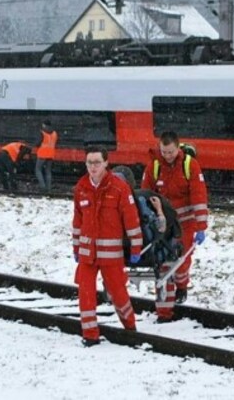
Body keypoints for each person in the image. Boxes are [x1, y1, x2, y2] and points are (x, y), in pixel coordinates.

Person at [72, 147, 142, 346]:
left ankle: (130, 327)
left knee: (118, 293)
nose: (92, 167)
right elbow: (77, 221)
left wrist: (136, 248)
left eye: (96, 162)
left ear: (105, 163)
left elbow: (131, 221)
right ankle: (90, 335)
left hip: (111, 256)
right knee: (85, 294)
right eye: (89, 163)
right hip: (87, 254)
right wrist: (76, 248)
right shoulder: (81, 188)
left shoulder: (119, 188)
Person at [141, 131, 208, 308]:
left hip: (185, 223)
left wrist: (201, 226)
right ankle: (165, 297)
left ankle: (181, 286)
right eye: (164, 152)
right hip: (163, 223)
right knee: (163, 260)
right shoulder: (154, 166)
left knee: (182, 259)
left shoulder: (190, 165)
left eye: (170, 152)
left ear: (178, 148)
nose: (167, 156)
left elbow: (199, 197)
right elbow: (145, 194)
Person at [114, 165, 182, 323]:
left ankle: (122, 310)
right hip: (148, 250)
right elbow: (163, 227)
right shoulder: (144, 200)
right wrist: (159, 210)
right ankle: (164, 313)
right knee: (166, 268)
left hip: (125, 252)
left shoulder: (111, 204)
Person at [34, 120, 57, 192]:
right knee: (48, 171)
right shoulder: (54, 133)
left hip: (42, 154)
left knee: (38, 169)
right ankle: (48, 188)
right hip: (51, 154)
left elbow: (37, 143)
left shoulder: (42, 133)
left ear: (44, 125)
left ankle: (42, 187)